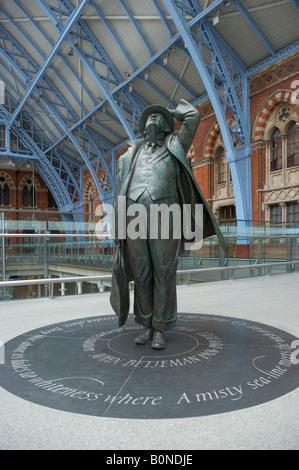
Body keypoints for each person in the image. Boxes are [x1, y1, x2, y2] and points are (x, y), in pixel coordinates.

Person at [112, 99, 225, 349]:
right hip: (133, 217)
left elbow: (193, 115)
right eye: (149, 117)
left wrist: (170, 112)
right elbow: (118, 191)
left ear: (166, 127)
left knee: (164, 273)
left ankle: (161, 328)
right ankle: (146, 324)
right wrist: (116, 229)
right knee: (142, 274)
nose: (152, 119)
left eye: (157, 117)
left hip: (167, 214)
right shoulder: (129, 155)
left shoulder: (175, 144)